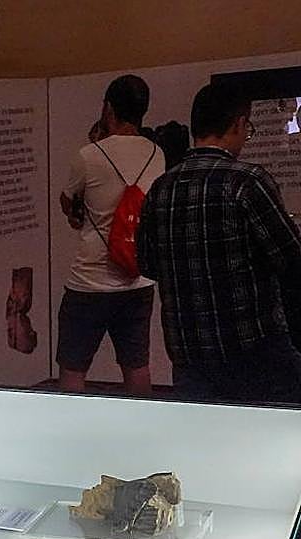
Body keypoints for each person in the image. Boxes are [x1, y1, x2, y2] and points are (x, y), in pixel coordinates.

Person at [138, 82, 301, 403]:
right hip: (254, 348)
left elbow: (147, 264)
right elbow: (291, 258)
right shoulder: (247, 181)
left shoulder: (161, 188)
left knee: (203, 442)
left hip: (188, 352)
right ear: (239, 124)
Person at [57, 74, 165, 396]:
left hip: (89, 280)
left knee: (74, 368)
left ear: (108, 108)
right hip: (138, 278)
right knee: (136, 365)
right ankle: (141, 431)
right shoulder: (157, 154)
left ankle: (71, 432)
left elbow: (67, 200)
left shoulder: (88, 156)